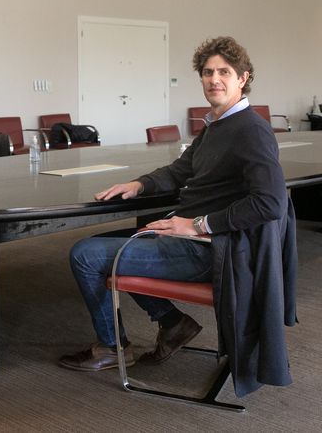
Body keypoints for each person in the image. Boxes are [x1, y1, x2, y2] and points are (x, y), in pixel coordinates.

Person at [59, 37, 293, 394]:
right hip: (188, 237)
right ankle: (173, 324)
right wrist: (140, 184)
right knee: (105, 246)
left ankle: (112, 346)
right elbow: (181, 170)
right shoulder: (218, 124)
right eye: (207, 72)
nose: (214, 79)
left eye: (223, 72)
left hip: (208, 251)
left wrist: (197, 225)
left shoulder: (251, 130)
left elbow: (270, 203)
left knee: (85, 255)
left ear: (242, 78)